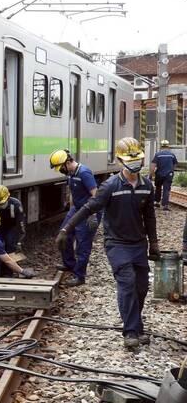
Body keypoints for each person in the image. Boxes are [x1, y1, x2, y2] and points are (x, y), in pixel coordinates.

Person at [55, 137, 159, 350]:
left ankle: (136, 325)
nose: (135, 163)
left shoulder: (147, 186)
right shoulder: (110, 186)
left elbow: (149, 217)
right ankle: (130, 332)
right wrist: (67, 229)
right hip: (117, 244)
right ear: (120, 161)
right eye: (131, 159)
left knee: (142, 286)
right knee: (127, 283)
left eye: (138, 159)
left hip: (138, 243)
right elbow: (88, 208)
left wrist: (154, 243)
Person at [49, 149, 101, 288]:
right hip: (76, 209)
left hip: (88, 211)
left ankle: (80, 276)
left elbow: (95, 194)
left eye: (60, 168)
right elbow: (73, 193)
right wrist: (70, 211)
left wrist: (93, 215)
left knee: (83, 244)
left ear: (67, 162)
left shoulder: (84, 173)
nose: (60, 171)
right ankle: (69, 264)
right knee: (64, 235)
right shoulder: (71, 174)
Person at [0, 185, 26, 253]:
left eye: (2, 203)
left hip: (12, 226)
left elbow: (20, 224)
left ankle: (10, 258)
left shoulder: (16, 205)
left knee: (10, 242)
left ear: (8, 198)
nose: (0, 205)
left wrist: (19, 242)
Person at [151, 139, 178, 210]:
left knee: (158, 188)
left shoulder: (158, 154)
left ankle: (157, 202)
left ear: (161, 146)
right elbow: (175, 165)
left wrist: (151, 174)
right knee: (166, 189)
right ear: (168, 146)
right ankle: (165, 205)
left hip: (159, 174)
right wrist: (171, 170)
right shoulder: (172, 155)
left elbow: (153, 165)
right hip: (169, 175)